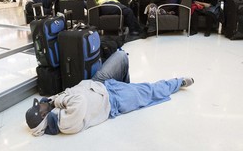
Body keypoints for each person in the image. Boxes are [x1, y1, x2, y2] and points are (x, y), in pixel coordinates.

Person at [25, 51, 194, 136]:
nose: (41, 102)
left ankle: (128, 86)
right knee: (151, 90)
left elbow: (66, 94)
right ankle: (178, 82)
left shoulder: (54, 108)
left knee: (121, 55)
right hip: (114, 99)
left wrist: (52, 100)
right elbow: (78, 100)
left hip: (98, 83)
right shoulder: (64, 123)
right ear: (43, 115)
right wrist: (54, 102)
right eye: (39, 105)